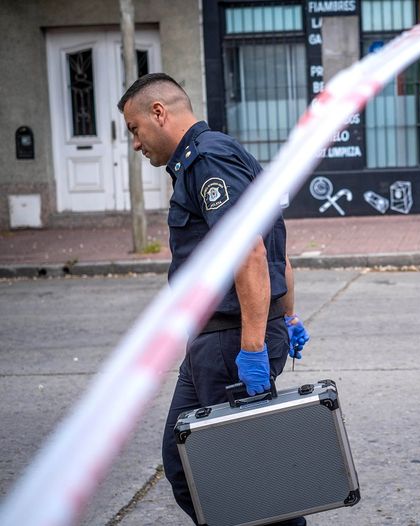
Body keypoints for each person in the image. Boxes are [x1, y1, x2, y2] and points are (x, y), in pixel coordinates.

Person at [118, 73, 310, 524]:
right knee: (189, 462)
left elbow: (251, 250)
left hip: (231, 344)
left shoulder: (208, 162)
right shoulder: (216, 154)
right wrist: (290, 314)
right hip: (219, 342)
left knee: (238, 476)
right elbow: (275, 245)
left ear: (159, 113)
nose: (135, 143)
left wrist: (254, 346)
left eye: (134, 129)